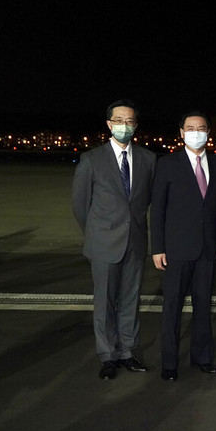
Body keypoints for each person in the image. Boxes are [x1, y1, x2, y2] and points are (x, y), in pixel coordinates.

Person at [72, 99, 156, 380]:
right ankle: (108, 355)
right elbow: (80, 205)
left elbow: (146, 200)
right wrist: (97, 234)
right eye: (118, 120)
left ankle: (128, 352)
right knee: (105, 302)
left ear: (136, 125)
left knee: (131, 300)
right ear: (109, 124)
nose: (124, 125)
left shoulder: (148, 159)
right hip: (104, 243)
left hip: (135, 242)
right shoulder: (91, 159)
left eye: (129, 121)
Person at [151, 111, 216, 381]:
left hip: (208, 249)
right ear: (182, 133)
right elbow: (157, 210)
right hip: (176, 249)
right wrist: (157, 248)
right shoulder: (167, 164)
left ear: (208, 132)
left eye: (202, 128)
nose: (197, 132)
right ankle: (169, 363)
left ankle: (202, 357)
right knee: (172, 308)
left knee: (203, 306)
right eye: (191, 128)